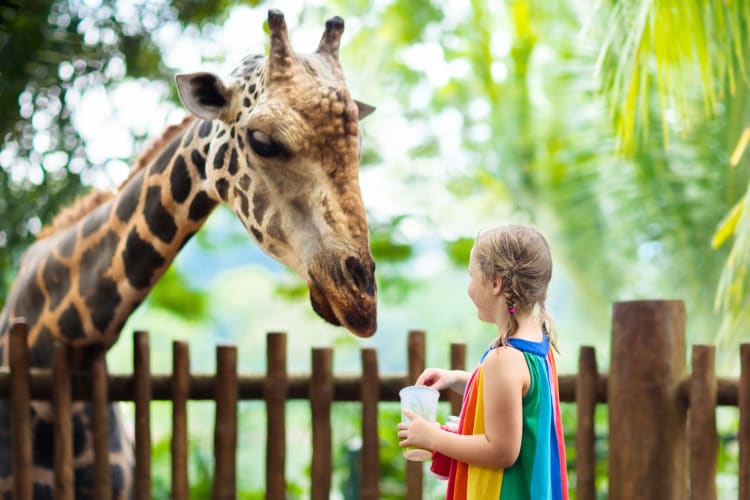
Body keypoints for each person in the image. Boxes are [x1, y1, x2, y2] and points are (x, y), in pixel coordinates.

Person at [397, 224, 569, 499]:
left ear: (495, 282)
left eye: (471, 275)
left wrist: (432, 437)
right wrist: (459, 379)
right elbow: (517, 402)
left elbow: (501, 450)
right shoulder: (536, 339)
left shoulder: (504, 359)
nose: (469, 286)